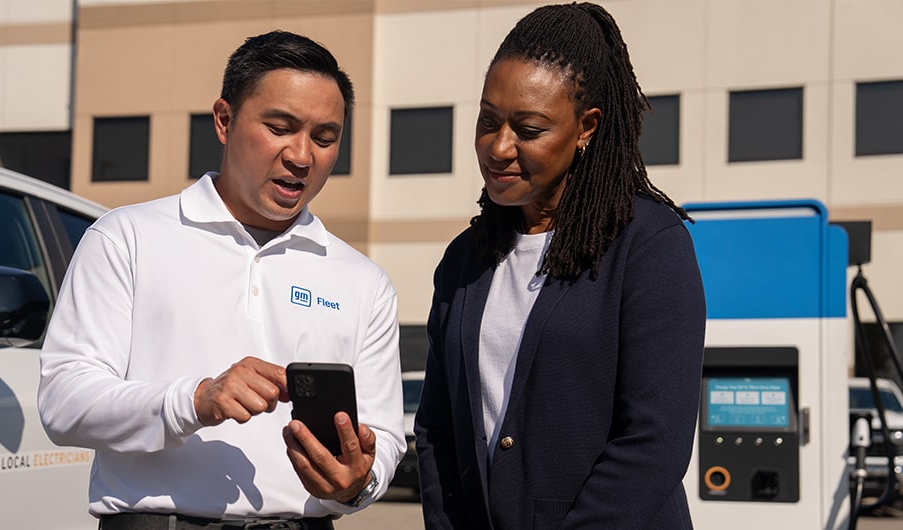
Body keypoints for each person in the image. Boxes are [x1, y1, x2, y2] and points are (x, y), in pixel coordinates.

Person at [38, 30, 405, 530]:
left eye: (325, 137)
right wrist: (194, 400)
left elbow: (383, 437)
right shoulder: (127, 237)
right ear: (224, 120)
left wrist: (355, 483)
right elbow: (63, 401)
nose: (302, 155)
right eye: (280, 127)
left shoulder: (363, 281)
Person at [415, 3, 706, 529]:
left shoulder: (649, 246)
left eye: (528, 129)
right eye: (487, 121)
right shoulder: (465, 258)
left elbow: (652, 443)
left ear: (586, 128)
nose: (499, 147)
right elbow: (438, 428)